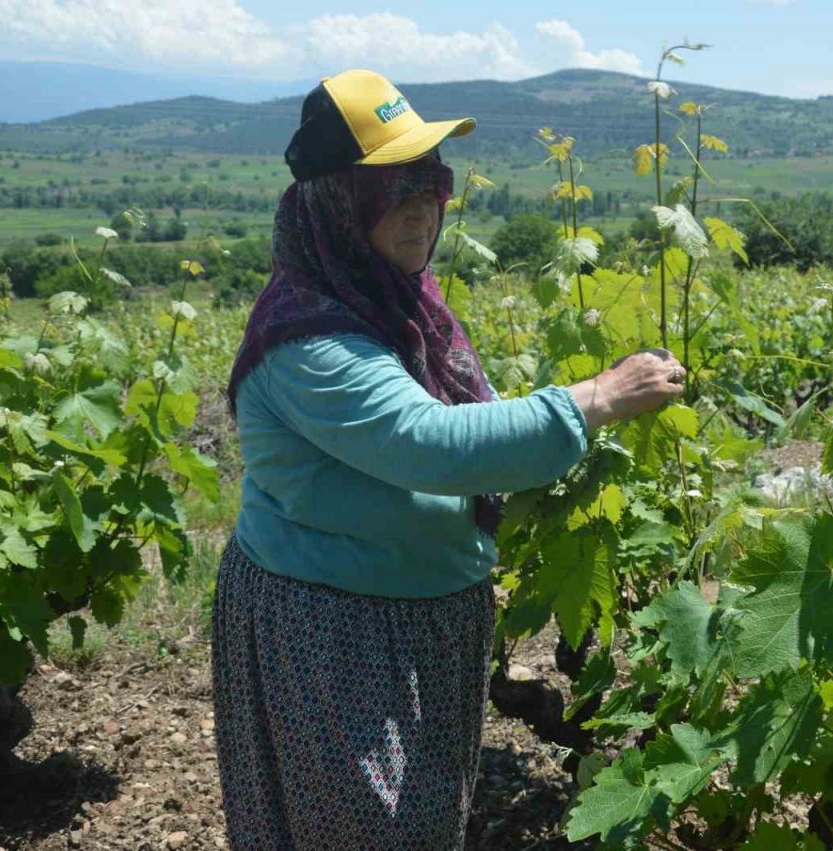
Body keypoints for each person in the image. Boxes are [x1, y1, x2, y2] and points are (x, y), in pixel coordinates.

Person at [210, 69, 685, 850]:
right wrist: (593, 397)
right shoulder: (308, 338)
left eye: (432, 179)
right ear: (336, 202)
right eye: (393, 185)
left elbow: (471, 416)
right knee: (361, 833)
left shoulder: (394, 301)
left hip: (421, 616)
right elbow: (425, 443)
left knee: (422, 826)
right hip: (334, 629)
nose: (423, 202)